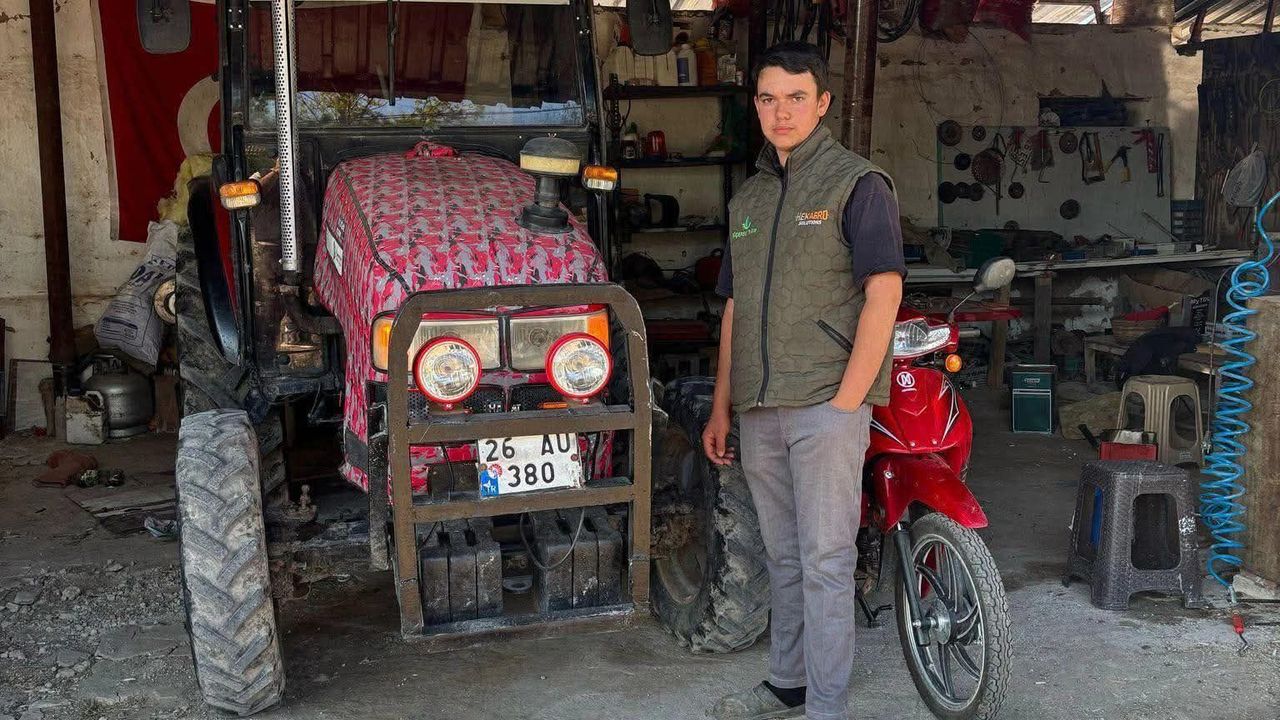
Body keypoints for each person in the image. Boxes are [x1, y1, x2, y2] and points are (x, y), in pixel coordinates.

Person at [704, 41, 905, 720]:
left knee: (824, 561)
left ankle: (826, 704)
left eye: (796, 98)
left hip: (825, 403)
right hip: (759, 408)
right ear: (756, 105)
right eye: (768, 98)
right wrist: (722, 406)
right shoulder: (750, 197)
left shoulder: (857, 184)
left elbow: (884, 293)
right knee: (782, 557)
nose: (781, 112)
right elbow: (735, 309)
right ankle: (787, 682)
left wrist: (848, 402)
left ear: (822, 104)